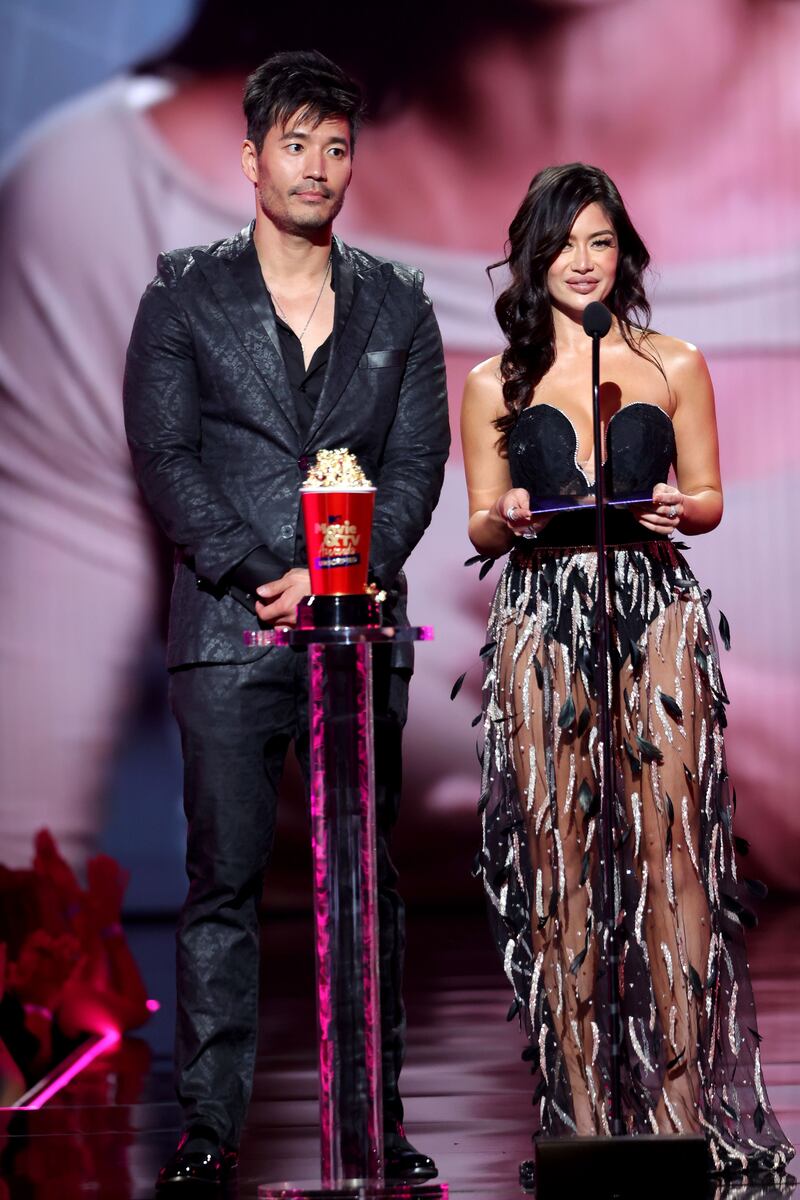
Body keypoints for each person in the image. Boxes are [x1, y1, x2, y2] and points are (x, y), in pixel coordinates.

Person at [123, 50, 449, 1189]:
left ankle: (377, 1123)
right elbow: (164, 457)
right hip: (227, 629)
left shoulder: (398, 301)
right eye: (296, 144)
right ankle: (209, 1136)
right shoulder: (182, 291)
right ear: (252, 157)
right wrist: (271, 567)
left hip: (358, 635)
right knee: (220, 881)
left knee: (366, 882)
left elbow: (414, 464)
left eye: (336, 146)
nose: (317, 167)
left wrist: (338, 576)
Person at [460, 163, 794, 1186]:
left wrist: (672, 513)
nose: (581, 262)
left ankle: (680, 1109)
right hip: (539, 615)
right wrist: (507, 517)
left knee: (670, 854)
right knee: (553, 859)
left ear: (623, 254)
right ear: (532, 255)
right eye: (563, 244)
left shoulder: (672, 361)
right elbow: (478, 517)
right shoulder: (492, 382)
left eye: (598, 242)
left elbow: (705, 497)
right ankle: (581, 1107)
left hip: (650, 608)